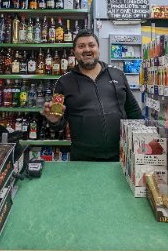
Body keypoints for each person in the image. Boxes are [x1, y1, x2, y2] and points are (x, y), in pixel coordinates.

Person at [42, 29, 142, 161]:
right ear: (74, 52)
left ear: (98, 49)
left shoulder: (117, 74)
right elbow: (59, 123)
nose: (87, 49)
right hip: (83, 157)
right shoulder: (64, 82)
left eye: (91, 45)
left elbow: (133, 111)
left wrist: (141, 141)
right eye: (81, 46)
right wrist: (54, 120)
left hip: (121, 154)